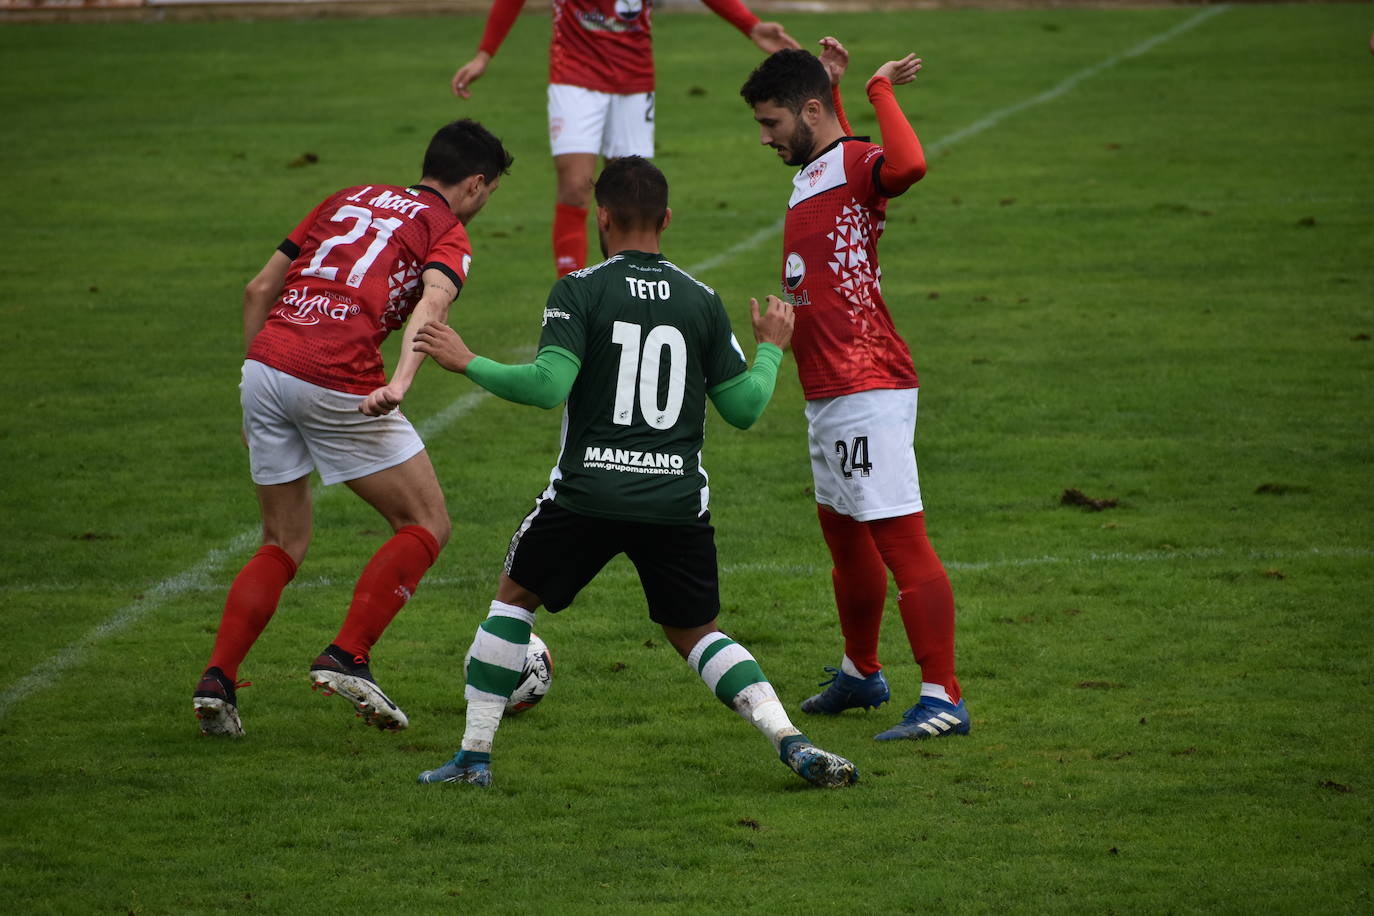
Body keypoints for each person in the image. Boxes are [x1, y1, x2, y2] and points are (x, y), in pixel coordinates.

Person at [410, 156, 858, 788]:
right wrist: (769, 350)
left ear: (603, 217)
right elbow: (746, 408)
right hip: (674, 501)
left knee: (515, 601)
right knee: (697, 632)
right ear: (667, 220)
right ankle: (790, 739)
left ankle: (473, 758)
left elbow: (547, 388)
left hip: (587, 493)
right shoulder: (702, 300)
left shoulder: (580, 289)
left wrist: (466, 362)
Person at [192, 119, 514, 738]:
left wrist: (255, 383)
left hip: (266, 364)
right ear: (476, 184)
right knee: (426, 522)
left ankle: (218, 680)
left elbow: (259, 287)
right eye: (490, 192)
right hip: (337, 374)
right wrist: (400, 382)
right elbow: (433, 303)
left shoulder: (345, 197)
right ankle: (347, 655)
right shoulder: (445, 228)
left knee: (282, 540)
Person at [739, 40, 970, 741]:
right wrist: (834, 94)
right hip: (828, 388)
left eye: (772, 123)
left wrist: (876, 90)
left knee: (900, 539)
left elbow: (908, 165)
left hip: (866, 383)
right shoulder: (818, 164)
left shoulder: (850, 161)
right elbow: (831, 147)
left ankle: (943, 697)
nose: (765, 138)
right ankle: (862, 671)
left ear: (807, 112)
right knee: (845, 539)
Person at [449, 0, 799, 277]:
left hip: (634, 78)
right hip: (574, 71)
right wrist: (485, 53)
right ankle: (569, 292)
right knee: (575, 186)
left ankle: (625, 285)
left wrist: (749, 24)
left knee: (630, 193)